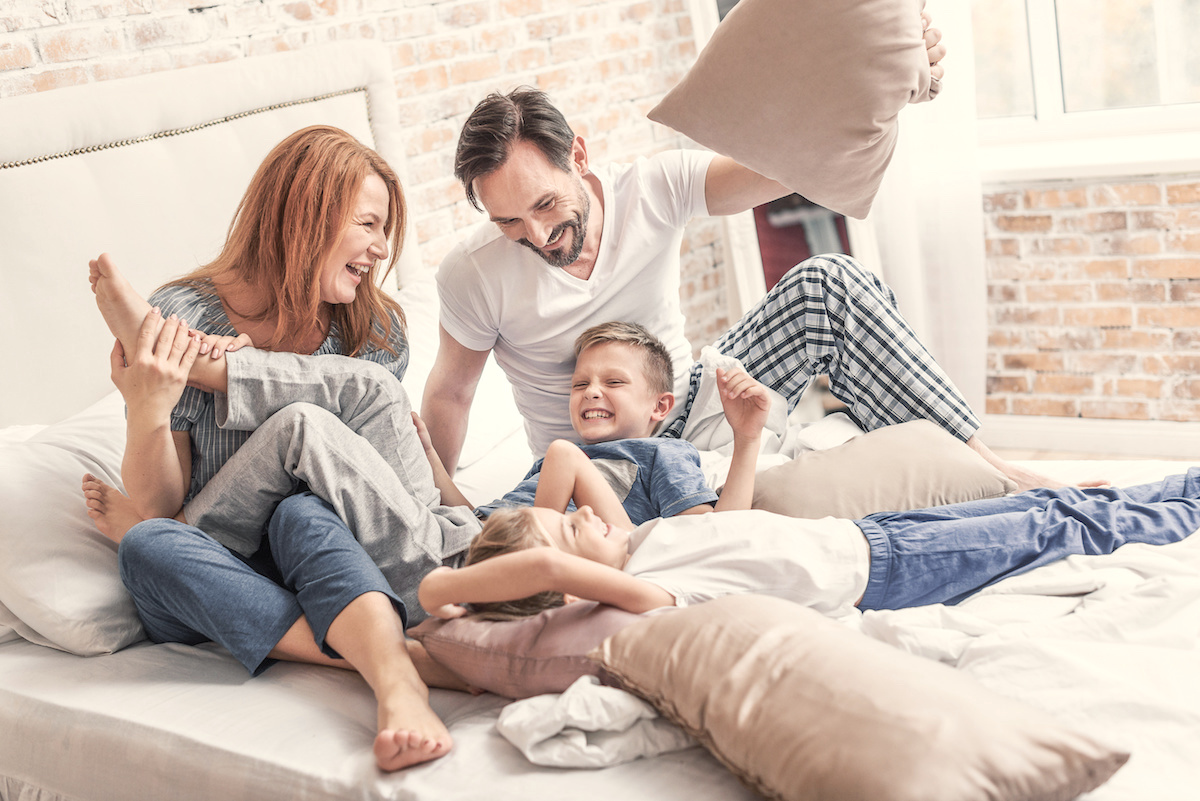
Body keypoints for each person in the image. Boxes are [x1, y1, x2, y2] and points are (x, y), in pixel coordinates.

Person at [418, 23, 1064, 494]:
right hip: (600, 458)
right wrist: (435, 502)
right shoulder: (474, 274)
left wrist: (886, 88)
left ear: (578, 157)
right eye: (507, 221)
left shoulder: (651, 189)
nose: (535, 233)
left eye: (544, 204)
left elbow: (781, 169)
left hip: (691, 397)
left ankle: (991, 469)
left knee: (827, 283)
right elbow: (450, 393)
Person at [84, 125, 476, 771]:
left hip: (332, 552)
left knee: (302, 509)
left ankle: (397, 681)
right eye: (369, 225)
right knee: (149, 544)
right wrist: (149, 407)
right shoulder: (188, 315)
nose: (382, 249)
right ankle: (394, 653)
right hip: (223, 562)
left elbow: (376, 487)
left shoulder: (373, 326)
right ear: (309, 214)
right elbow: (157, 505)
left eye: (385, 231)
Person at [418, 452, 1200, 622]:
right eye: (568, 526)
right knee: (1067, 525)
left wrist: (527, 526)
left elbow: (562, 459)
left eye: (568, 512)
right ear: (560, 586)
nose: (581, 511)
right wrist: (443, 591)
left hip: (871, 533)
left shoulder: (635, 536)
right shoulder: (650, 594)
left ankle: (1180, 483)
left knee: (1067, 504)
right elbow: (556, 561)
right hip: (891, 572)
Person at [425, 321, 771, 528]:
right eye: (580, 384)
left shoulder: (662, 454)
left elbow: (711, 530)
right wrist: (429, 457)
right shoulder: (552, 464)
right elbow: (480, 520)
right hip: (480, 536)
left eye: (614, 382)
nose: (591, 392)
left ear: (660, 405)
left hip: (534, 549)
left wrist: (747, 439)